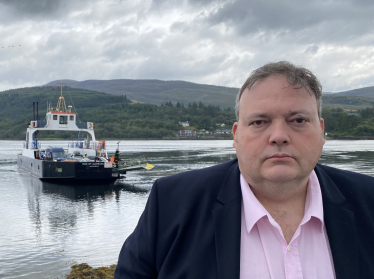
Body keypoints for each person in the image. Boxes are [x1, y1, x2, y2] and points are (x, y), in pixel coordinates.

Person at [115, 61, 374, 279]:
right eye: (260, 121)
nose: (279, 136)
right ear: (237, 135)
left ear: (321, 131)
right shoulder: (172, 203)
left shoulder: (369, 201)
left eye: (298, 120)